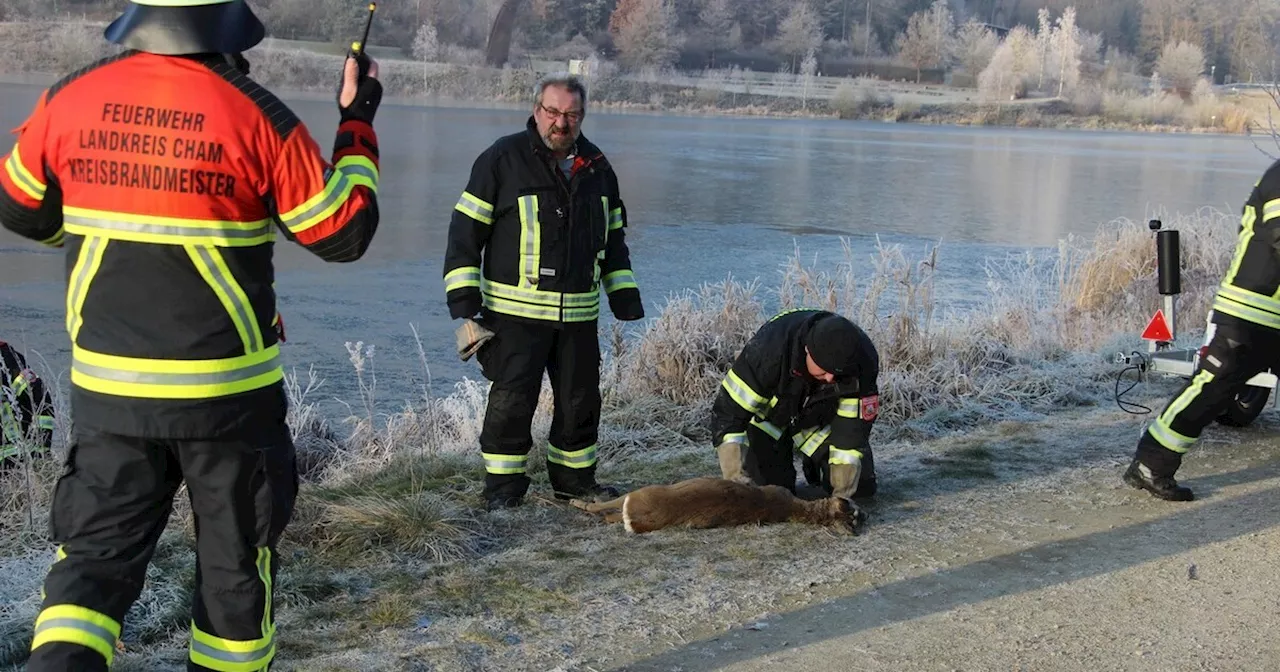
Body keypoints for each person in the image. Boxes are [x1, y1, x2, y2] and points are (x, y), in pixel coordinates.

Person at [0, 0, 385, 669]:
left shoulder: (71, 98)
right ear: (228, 30)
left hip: (109, 394)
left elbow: (19, 207)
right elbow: (344, 230)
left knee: (87, 573)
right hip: (228, 402)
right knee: (233, 575)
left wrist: (94, 237)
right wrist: (357, 122)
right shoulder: (258, 116)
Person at [443, 73, 645, 511]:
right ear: (537, 111)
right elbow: (464, 232)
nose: (561, 122)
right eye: (553, 112)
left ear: (582, 116)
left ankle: (575, 486)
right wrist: (465, 303)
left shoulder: (598, 167)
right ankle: (502, 493)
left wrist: (624, 296)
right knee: (511, 405)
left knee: (580, 405)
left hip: (577, 319)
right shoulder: (502, 158)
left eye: (571, 114)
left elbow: (613, 239)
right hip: (513, 318)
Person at [1123, 160, 1280, 502]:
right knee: (1213, 390)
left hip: (1268, 315)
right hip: (1248, 311)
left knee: (1213, 390)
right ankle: (1150, 464)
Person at [711, 309, 880, 502]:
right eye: (824, 369)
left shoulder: (862, 361)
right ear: (807, 349)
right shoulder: (767, 351)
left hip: (817, 421)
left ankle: (815, 466)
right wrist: (736, 481)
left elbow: (852, 430)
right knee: (770, 495)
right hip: (768, 422)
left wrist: (842, 497)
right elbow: (728, 417)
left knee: (862, 488)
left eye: (836, 372)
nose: (831, 378)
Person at [0, 339, 56, 472]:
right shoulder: (10, 356)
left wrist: (41, 447)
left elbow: (37, 391)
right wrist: (42, 448)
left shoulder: (7, 359)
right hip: (22, 453)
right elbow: (39, 393)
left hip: (11, 458)